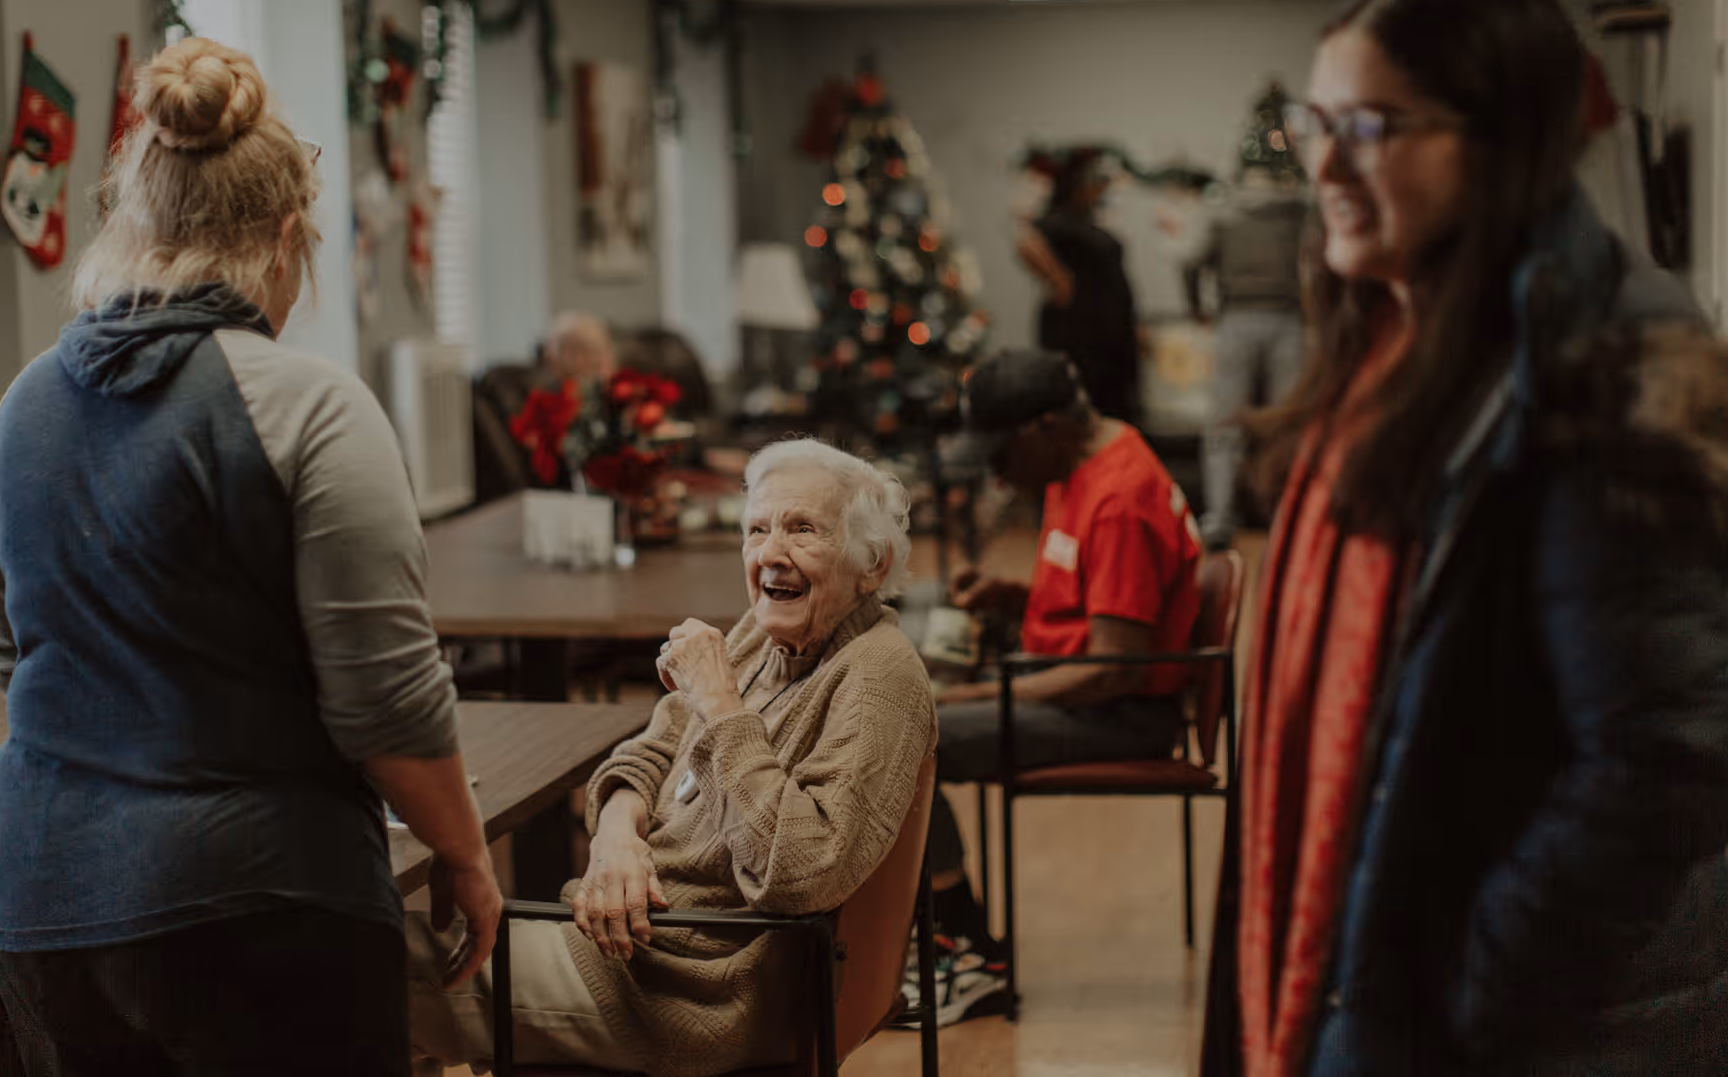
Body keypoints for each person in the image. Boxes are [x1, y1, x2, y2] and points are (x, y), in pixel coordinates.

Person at [1202, 0, 1728, 1076]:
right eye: (1321, 119)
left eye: (1370, 124)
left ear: (1499, 138)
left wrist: (1467, 989)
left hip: (1562, 1032)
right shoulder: (1392, 346)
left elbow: (1668, 760)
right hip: (1383, 975)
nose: (1324, 163)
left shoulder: (1600, 375)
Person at [0, 38, 502, 1076]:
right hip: (260, 902)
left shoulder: (21, 405)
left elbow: (6, 650)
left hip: (41, 900)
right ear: (287, 236)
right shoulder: (308, 404)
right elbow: (386, 707)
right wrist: (468, 853)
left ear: (134, 225)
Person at [408, 439, 936, 1077]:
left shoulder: (878, 678)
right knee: (375, 963)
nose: (771, 553)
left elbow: (801, 875)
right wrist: (614, 838)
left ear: (872, 564)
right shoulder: (760, 634)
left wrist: (719, 704)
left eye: (803, 530)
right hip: (633, 947)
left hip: (693, 990)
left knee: (362, 963)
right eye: (757, 529)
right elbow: (649, 748)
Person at [908, 348, 1203, 1026]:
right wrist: (1013, 597)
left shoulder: (1120, 498)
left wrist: (972, 698)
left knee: (915, 738)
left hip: (1123, 711)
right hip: (1077, 681)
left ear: (1044, 428)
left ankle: (970, 955)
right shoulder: (1083, 462)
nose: (994, 469)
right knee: (910, 660)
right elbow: (1100, 599)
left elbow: (1111, 667)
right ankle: (934, 936)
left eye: (1000, 450)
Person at [1184, 164, 1313, 549]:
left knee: (1225, 426)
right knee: (1286, 425)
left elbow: (1191, 262)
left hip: (1235, 320)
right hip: (1288, 322)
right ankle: (1287, 517)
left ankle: (1220, 520)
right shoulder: (1299, 211)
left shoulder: (1224, 212)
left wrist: (1196, 309)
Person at [1017, 148, 1143, 423]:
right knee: (1082, 407)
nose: (1100, 190)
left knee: (1115, 406)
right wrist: (1061, 282)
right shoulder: (1059, 219)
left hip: (1110, 331)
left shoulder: (1088, 221)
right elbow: (1026, 243)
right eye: (1094, 183)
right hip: (1079, 333)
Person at [544, 309, 618, 388]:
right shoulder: (547, 396)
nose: (594, 359)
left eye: (599, 351)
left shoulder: (622, 390)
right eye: (584, 351)